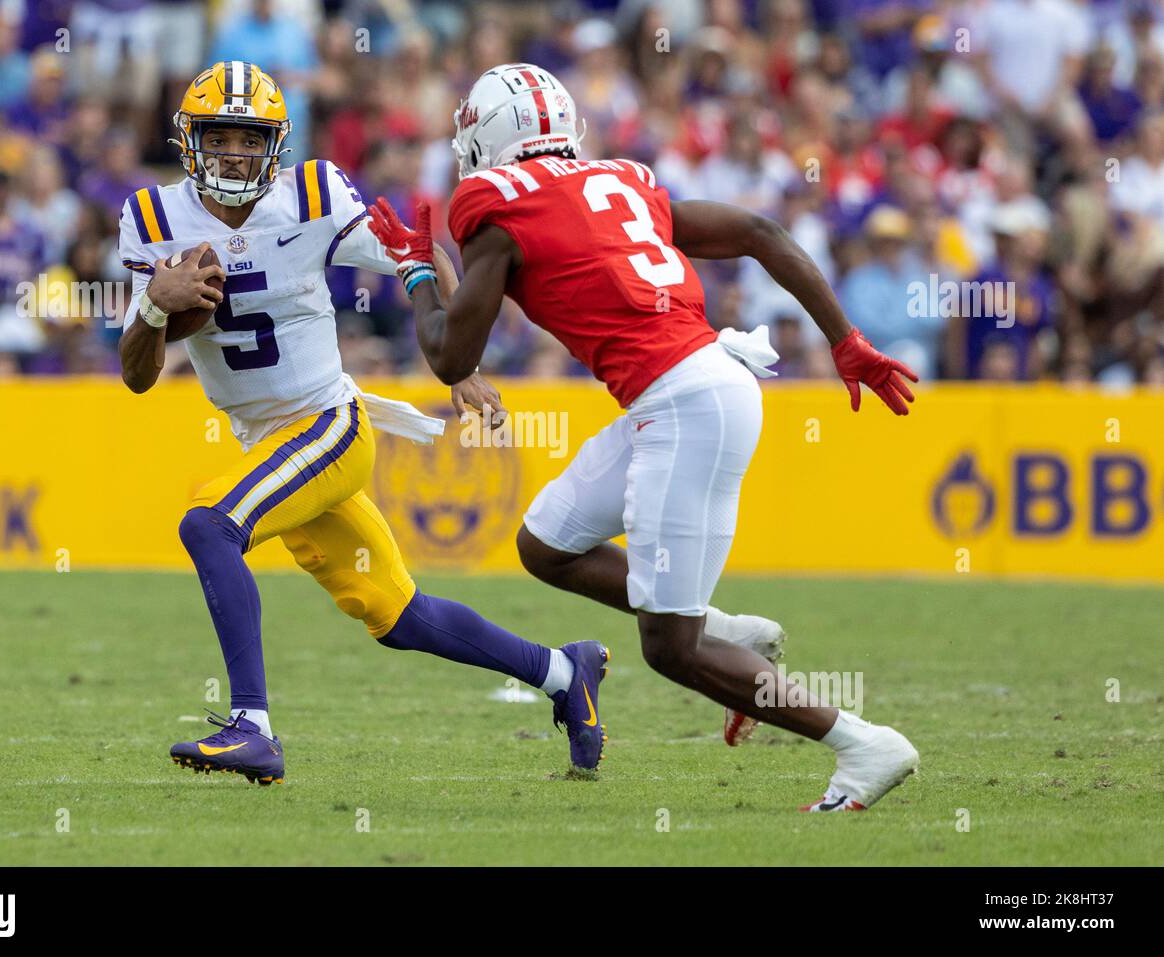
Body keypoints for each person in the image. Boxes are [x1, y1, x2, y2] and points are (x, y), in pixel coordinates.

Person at [369, 63, 920, 811]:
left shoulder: (494, 203)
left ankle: (862, 743)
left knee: (671, 648)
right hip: (696, 385)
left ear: (490, 137)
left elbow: (449, 356)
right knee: (547, 543)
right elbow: (760, 231)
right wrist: (843, 339)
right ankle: (730, 629)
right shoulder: (622, 180)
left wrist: (414, 276)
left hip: (684, 403)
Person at [117, 61, 609, 785]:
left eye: (247, 138)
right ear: (188, 141)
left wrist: (459, 360)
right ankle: (567, 673)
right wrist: (157, 305)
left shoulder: (312, 193)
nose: (231, 153)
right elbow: (137, 375)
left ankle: (252, 725)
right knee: (399, 614)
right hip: (270, 441)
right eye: (216, 136)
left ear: (275, 145)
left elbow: (419, 254)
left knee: (208, 523)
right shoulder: (153, 219)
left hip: (327, 424)